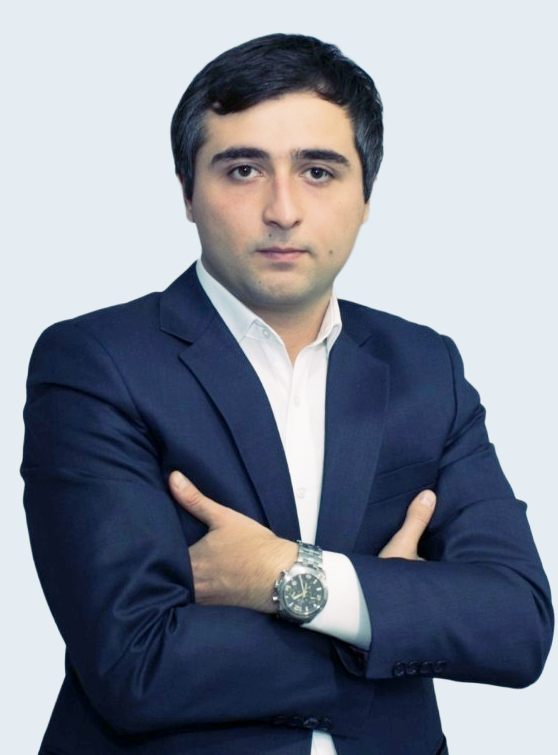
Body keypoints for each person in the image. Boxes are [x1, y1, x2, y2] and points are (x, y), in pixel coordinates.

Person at [21, 33, 553, 755]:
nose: (282, 209)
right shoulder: (97, 362)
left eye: (318, 171)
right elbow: (135, 665)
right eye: (243, 170)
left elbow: (518, 626)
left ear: (366, 195)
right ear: (187, 192)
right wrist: (389, 617)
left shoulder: (426, 366)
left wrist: (287, 577)